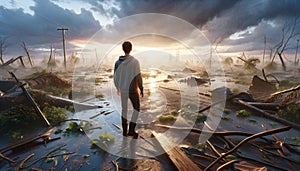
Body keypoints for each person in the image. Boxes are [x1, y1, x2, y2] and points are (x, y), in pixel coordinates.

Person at [114, 41, 143, 139]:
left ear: (123, 49)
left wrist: (118, 87)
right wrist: (141, 88)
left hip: (123, 90)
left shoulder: (117, 63)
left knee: (124, 110)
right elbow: (138, 76)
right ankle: (131, 130)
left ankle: (124, 133)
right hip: (133, 90)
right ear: (131, 49)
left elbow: (116, 77)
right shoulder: (135, 62)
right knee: (136, 109)